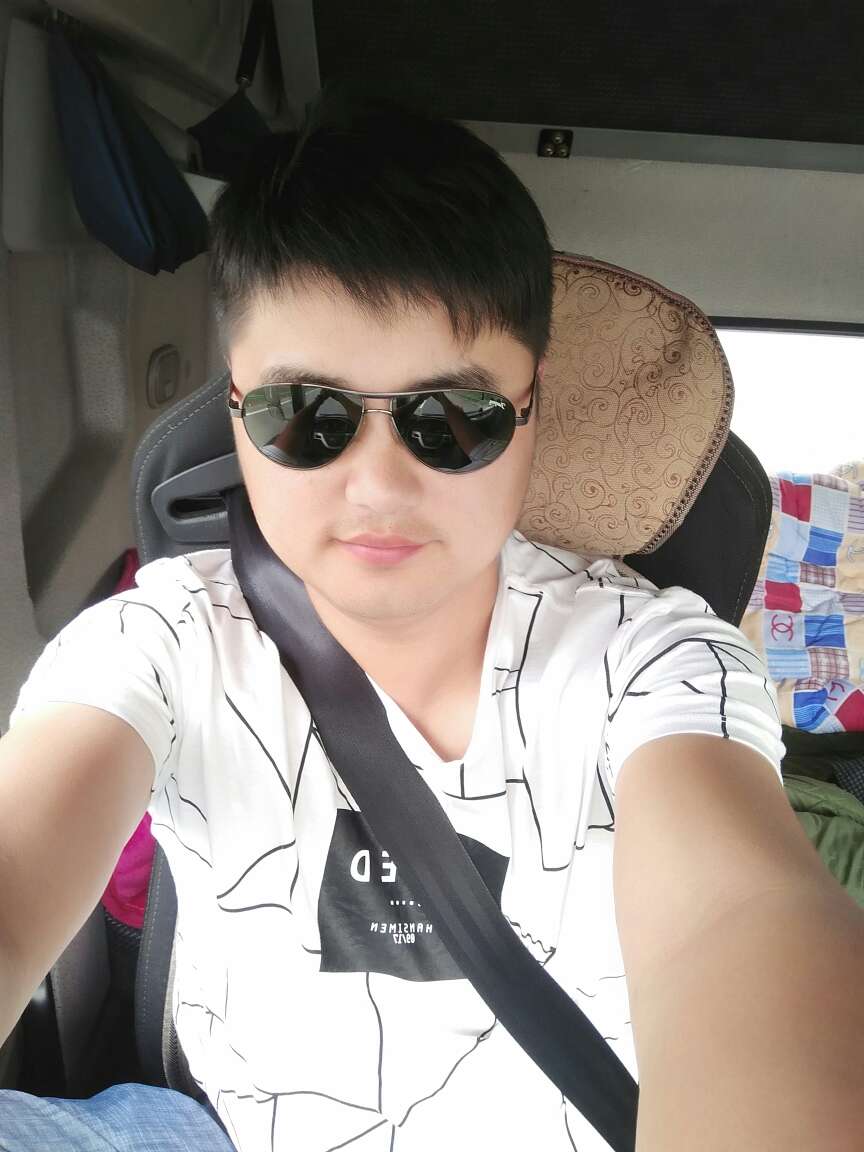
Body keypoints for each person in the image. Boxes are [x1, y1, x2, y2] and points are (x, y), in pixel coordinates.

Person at [0, 90, 861, 1152]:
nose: (377, 488)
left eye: (450, 418)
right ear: (235, 411)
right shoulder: (162, 639)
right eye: (304, 415)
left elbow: (736, 915)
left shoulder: (652, 662)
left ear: (532, 410)